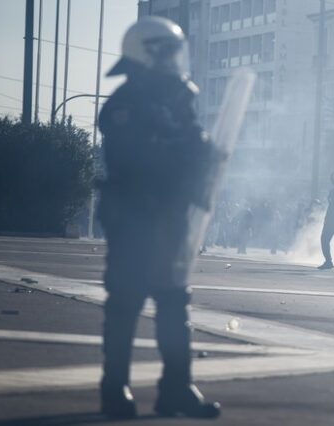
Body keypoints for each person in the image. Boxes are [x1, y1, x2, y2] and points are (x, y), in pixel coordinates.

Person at [97, 17, 220, 419]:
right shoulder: (124, 105)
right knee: (125, 304)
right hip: (134, 216)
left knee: (173, 304)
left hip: (169, 218)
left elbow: (192, 147)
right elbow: (134, 162)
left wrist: (203, 158)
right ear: (146, 54)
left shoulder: (180, 99)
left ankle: (176, 389)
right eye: (166, 51)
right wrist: (187, 157)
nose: (173, 60)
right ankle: (114, 391)